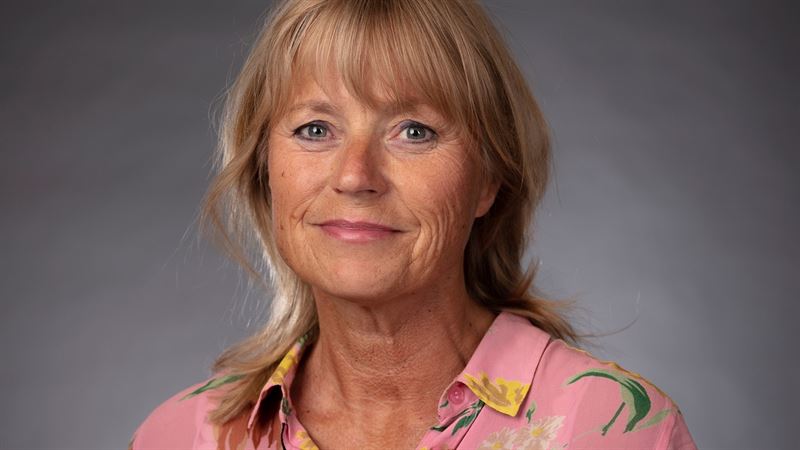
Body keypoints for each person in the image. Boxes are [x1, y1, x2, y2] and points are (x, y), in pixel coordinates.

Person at [129, 0, 697, 448]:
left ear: (488, 178)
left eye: (414, 131)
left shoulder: (614, 430)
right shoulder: (181, 437)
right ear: (265, 169)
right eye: (315, 129)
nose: (355, 176)